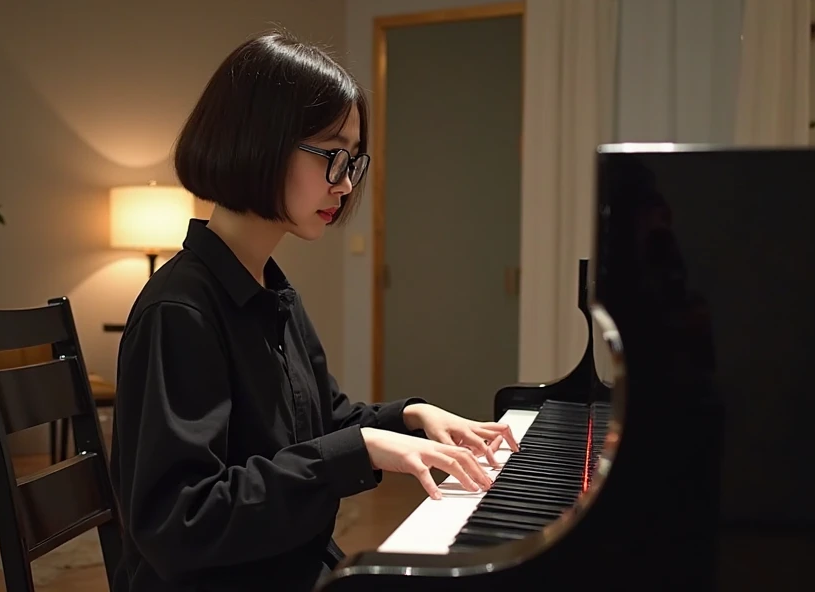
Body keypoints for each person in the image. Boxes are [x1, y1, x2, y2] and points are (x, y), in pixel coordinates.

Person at [108, 29, 518, 592]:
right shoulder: (180, 311)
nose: (346, 184)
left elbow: (322, 421)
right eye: (331, 156)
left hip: (288, 565)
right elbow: (182, 520)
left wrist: (411, 417)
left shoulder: (271, 291)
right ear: (260, 141)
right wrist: (361, 449)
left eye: (353, 161)